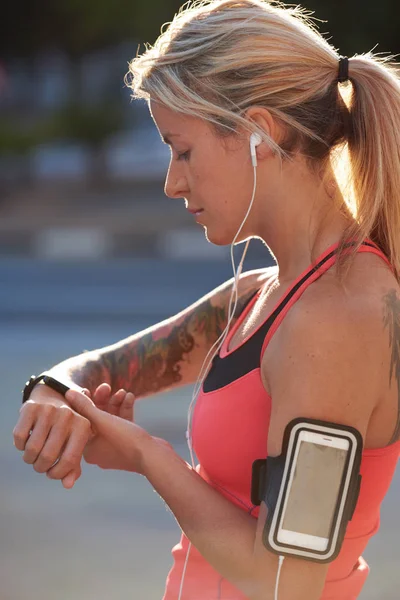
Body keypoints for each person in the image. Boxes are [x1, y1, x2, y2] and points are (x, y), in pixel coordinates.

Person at [12, 0, 400, 598]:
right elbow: (105, 369)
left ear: (258, 134)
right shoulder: (258, 297)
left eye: (182, 149)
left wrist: (148, 457)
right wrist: (53, 393)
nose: (171, 181)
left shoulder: (339, 318)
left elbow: (286, 579)